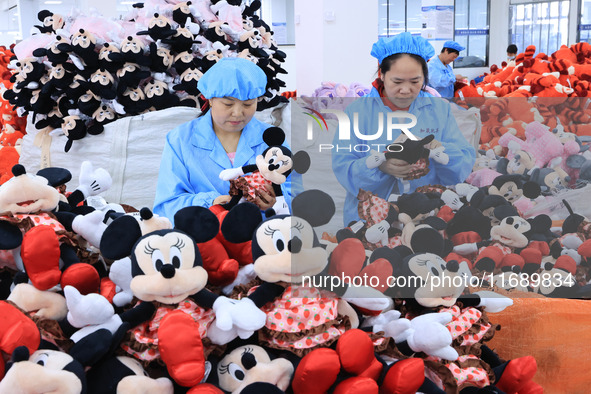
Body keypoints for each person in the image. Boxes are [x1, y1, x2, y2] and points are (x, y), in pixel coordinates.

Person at [331, 32, 476, 226]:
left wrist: (439, 150)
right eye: (397, 82)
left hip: (425, 217)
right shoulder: (356, 112)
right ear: (382, 74)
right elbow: (343, 167)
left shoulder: (438, 109)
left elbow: (463, 163)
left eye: (415, 82)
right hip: (370, 222)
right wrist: (379, 166)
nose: (406, 90)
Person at [153, 57, 291, 223]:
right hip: (204, 235)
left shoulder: (271, 138)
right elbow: (166, 205)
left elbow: (297, 193)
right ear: (210, 98)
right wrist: (210, 203)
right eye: (227, 104)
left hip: (261, 236)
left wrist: (277, 200)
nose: (238, 113)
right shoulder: (180, 140)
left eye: (248, 104)